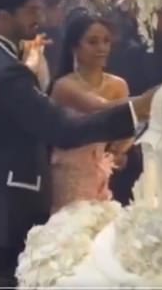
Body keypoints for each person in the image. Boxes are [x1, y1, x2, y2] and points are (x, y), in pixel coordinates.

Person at [0, 0, 156, 288]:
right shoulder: (4, 70)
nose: (39, 19)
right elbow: (60, 128)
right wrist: (138, 109)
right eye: (30, 11)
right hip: (1, 200)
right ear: (3, 17)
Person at [50, 14, 131, 211]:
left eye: (106, 41)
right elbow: (99, 109)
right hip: (68, 174)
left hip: (100, 174)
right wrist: (151, 99)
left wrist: (118, 152)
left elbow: (128, 127)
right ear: (74, 47)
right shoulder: (64, 86)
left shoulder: (118, 85)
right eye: (92, 42)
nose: (102, 48)